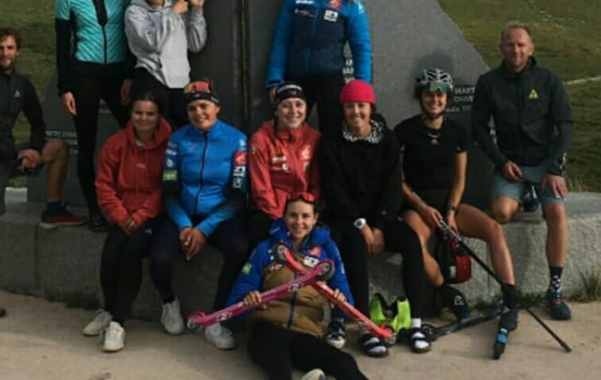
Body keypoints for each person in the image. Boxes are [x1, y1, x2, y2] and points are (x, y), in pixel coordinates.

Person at [0, 27, 84, 318]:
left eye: (10, 48)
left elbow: (38, 122)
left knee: (58, 147)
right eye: (0, 48)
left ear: (18, 51)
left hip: (8, 157)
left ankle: (53, 207)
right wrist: (16, 154)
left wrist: (34, 151)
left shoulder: (22, 85)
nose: (5, 53)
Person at [395, 68, 520, 333]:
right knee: (415, 244)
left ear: (448, 99)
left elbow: (460, 178)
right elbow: (397, 179)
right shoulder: (405, 131)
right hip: (418, 206)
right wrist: (422, 207)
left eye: (441, 95)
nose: (435, 100)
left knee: (494, 230)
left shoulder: (456, 132)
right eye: (429, 94)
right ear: (421, 96)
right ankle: (448, 292)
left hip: (449, 205)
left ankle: (511, 298)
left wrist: (451, 212)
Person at [318, 80, 431, 356]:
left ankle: (416, 321)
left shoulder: (386, 139)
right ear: (342, 109)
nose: (355, 112)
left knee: (411, 241)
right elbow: (334, 190)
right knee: (354, 247)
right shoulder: (331, 141)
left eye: (361, 106)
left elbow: (393, 185)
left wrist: (379, 225)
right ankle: (366, 326)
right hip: (346, 216)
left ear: (371, 108)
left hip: (381, 214)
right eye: (349, 106)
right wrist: (362, 225)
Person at [471, 22, 574, 320]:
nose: (515, 50)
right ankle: (506, 289)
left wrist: (555, 169)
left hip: (545, 165)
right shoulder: (488, 82)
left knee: (556, 213)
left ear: (531, 49)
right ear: (501, 48)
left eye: (520, 45)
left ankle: (554, 289)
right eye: (509, 45)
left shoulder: (548, 80)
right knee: (501, 212)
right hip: (510, 164)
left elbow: (565, 125)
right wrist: (501, 161)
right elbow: (478, 127)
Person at [226, 192, 371, 380]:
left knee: (345, 363)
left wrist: (340, 302)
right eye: (293, 215)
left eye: (305, 216)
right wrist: (248, 299)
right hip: (267, 327)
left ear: (315, 218)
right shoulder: (266, 248)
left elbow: (347, 303)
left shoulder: (327, 251)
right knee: (280, 369)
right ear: (284, 216)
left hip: (306, 331)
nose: (298, 222)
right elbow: (236, 298)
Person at [149, 79, 250, 350]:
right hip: (182, 214)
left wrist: (204, 229)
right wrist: (184, 225)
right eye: (192, 108)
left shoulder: (237, 140)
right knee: (159, 257)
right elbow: (169, 191)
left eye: (204, 106)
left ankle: (217, 318)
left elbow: (239, 196)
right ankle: (169, 302)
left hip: (220, 215)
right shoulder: (177, 139)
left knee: (240, 249)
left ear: (216, 107)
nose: (198, 113)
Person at [82, 89, 173, 352]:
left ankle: (118, 324)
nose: (144, 119)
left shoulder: (170, 144)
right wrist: (121, 215)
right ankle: (109, 310)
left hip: (153, 215)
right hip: (123, 214)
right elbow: (104, 185)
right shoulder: (116, 144)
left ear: (158, 116)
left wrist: (142, 214)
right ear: (130, 114)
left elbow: (164, 186)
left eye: (150, 114)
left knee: (132, 252)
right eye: (138, 113)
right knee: (110, 254)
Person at [54, 0, 135, 232]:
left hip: (116, 73)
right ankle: (94, 211)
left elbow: (131, 35)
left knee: (136, 134)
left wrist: (129, 75)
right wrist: (65, 88)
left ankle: (132, 203)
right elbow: (62, 48)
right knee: (86, 143)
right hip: (84, 75)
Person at [266, 0, 371, 137]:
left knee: (333, 134)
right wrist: (275, 79)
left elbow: (361, 48)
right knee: (288, 132)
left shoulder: (350, 1)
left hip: (329, 78)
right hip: (296, 76)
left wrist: (362, 88)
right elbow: (282, 39)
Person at [124, 0, 207, 129]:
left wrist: (197, 11)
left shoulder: (176, 7)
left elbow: (196, 45)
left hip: (179, 80)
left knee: (182, 132)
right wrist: (172, 14)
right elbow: (154, 42)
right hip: (151, 77)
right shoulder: (134, 12)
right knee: (155, 134)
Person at [246, 82, 321, 247]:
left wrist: (308, 213)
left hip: (305, 209)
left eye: (299, 105)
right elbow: (261, 189)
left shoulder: (314, 138)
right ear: (276, 110)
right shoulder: (261, 140)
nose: (294, 111)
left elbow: (316, 182)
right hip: (270, 212)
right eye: (286, 105)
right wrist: (282, 220)